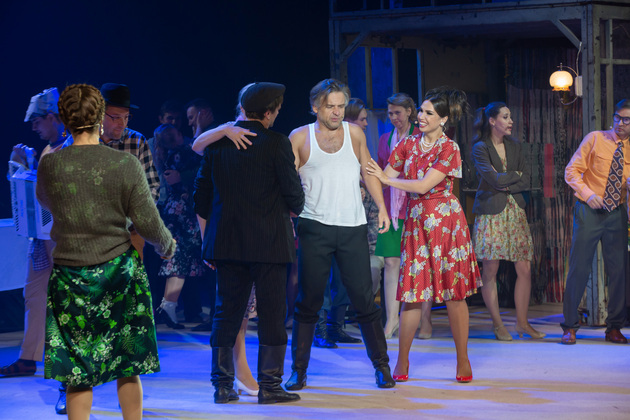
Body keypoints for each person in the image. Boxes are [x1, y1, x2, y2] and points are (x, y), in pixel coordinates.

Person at [36, 84, 176, 419]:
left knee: (77, 374)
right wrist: (167, 246)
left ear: (64, 120)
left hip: (69, 278)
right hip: (118, 276)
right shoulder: (125, 163)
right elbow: (147, 222)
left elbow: (44, 201)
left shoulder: (50, 164)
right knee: (128, 366)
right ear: (100, 117)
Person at [193, 82, 304, 404]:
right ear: (268, 113)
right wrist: (291, 206)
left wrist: (208, 241)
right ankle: (270, 386)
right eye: (277, 111)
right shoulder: (277, 143)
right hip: (269, 243)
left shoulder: (217, 144)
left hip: (226, 243)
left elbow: (200, 198)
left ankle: (222, 386)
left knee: (226, 313)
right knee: (272, 314)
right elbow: (295, 198)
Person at [366, 86, 482, 383]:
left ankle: (463, 359)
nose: (421, 116)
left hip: (446, 223)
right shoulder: (408, 144)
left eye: (429, 113)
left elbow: (421, 185)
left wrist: (386, 179)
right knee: (412, 294)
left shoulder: (449, 148)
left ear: (443, 119)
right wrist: (379, 192)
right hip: (416, 223)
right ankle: (402, 360)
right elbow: (383, 175)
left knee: (454, 294)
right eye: (421, 110)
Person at [286, 78, 395, 391]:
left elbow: (368, 172)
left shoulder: (355, 133)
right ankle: (298, 371)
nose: (336, 112)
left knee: (364, 300)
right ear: (315, 107)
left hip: (351, 227)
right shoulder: (299, 137)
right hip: (314, 227)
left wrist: (382, 207)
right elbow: (286, 180)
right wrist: (289, 211)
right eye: (330, 106)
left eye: (340, 106)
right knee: (308, 301)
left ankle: (381, 367)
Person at [1, 87, 68, 415]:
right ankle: (29, 358)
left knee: (66, 302)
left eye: (37, 121)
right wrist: (25, 166)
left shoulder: (71, 146)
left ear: (52, 117)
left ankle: (68, 373)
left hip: (65, 237)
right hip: (43, 238)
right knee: (34, 295)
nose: (34, 128)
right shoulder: (49, 148)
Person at [471, 102, 545, 341]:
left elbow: (526, 180)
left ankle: (523, 323)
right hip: (491, 213)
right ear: (492, 121)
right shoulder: (480, 148)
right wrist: (513, 177)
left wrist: (507, 180)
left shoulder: (514, 146)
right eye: (505, 117)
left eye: (510, 116)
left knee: (524, 268)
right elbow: (493, 180)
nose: (511, 121)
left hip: (515, 211)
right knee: (490, 269)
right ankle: (497, 324)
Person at [562, 99, 630, 345]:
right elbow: (571, 171)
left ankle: (614, 327)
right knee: (579, 267)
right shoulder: (595, 138)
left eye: (626, 120)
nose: (620, 123)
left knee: (619, 271)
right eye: (617, 117)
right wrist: (588, 194)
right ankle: (570, 326)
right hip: (589, 209)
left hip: (617, 212)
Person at [376, 93, 432, 340]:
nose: (393, 117)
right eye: (390, 113)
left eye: (397, 112)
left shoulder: (422, 137)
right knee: (391, 263)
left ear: (410, 111)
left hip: (417, 208)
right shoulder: (385, 139)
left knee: (420, 265)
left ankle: (425, 320)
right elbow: (381, 175)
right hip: (392, 210)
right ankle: (392, 320)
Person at [151, 124, 205, 329]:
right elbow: (201, 168)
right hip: (184, 212)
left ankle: (169, 306)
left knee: (179, 258)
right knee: (180, 258)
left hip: (176, 211)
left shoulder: (169, 155)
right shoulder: (182, 154)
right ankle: (168, 306)